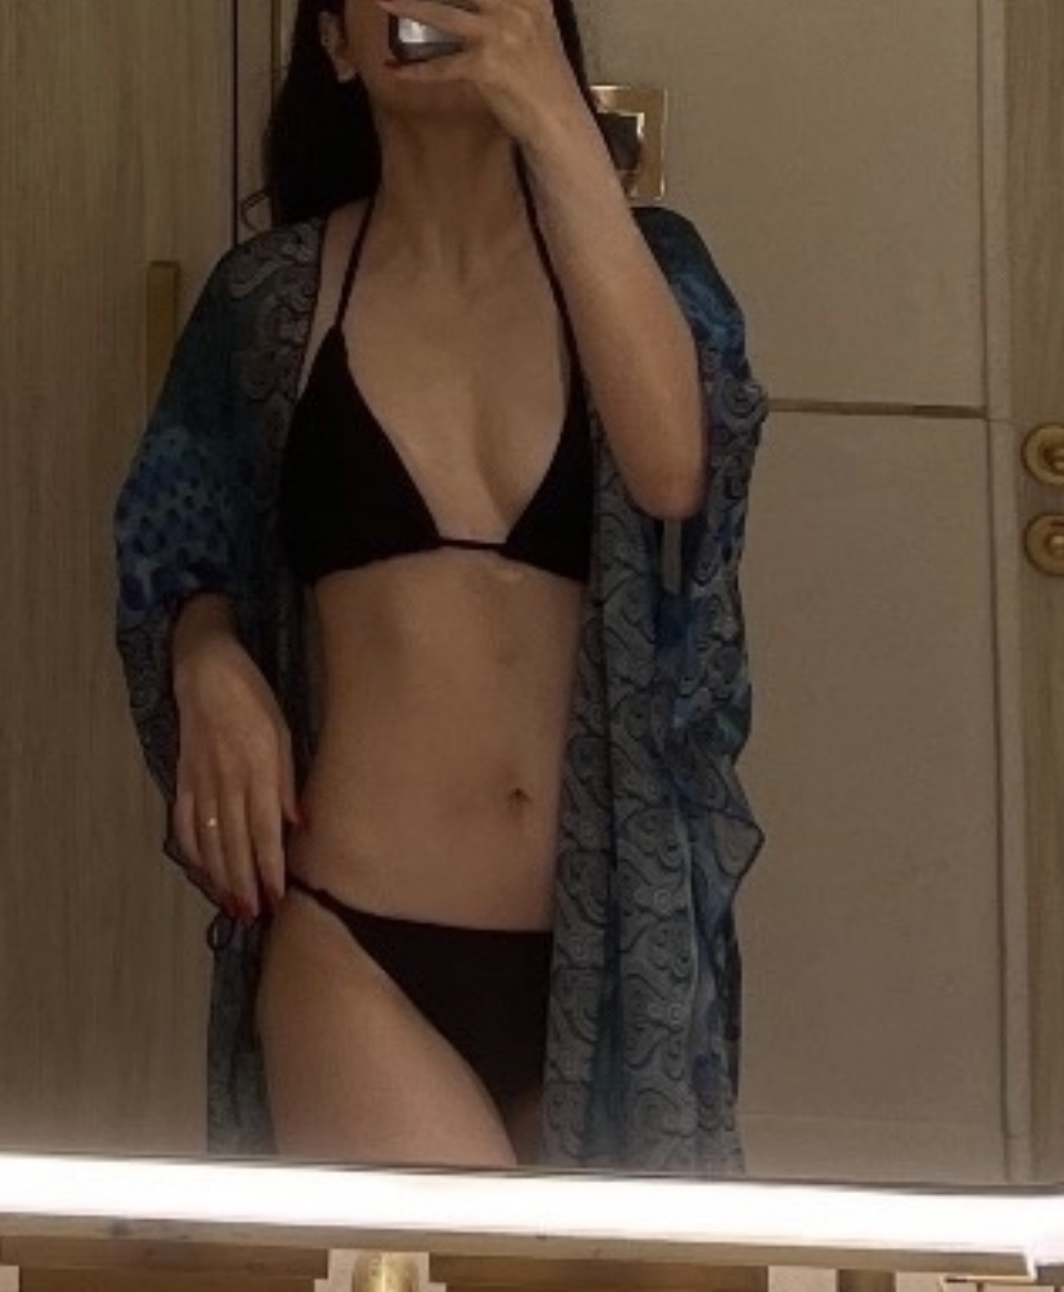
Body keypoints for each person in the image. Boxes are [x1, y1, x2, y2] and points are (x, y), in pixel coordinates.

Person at [114, 0, 767, 1174]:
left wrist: (556, 118)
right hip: (357, 946)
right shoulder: (269, 300)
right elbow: (172, 541)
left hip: (604, 951)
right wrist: (206, 656)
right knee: (456, 1260)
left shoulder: (653, 269)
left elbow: (674, 467)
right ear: (335, 44)